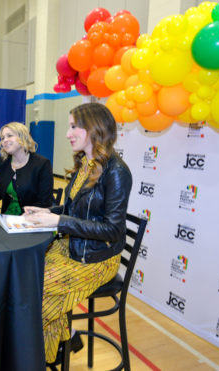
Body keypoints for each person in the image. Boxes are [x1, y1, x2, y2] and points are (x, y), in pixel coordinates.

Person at [23, 103, 132, 364]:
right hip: (73, 248)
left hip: (96, 259)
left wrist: (59, 220)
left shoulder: (117, 172)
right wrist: (45, 211)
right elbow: (74, 209)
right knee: (27, 278)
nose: (67, 133)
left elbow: (113, 229)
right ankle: (62, 343)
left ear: (94, 129)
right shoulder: (86, 163)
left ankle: (42, 355)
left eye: (74, 127)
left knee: (35, 292)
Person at [0, 121, 54, 214]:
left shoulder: (42, 164)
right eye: (2, 138)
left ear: (23, 137)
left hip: (31, 219)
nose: (5, 140)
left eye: (9, 135)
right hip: (6, 217)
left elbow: (45, 202)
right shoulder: (2, 162)